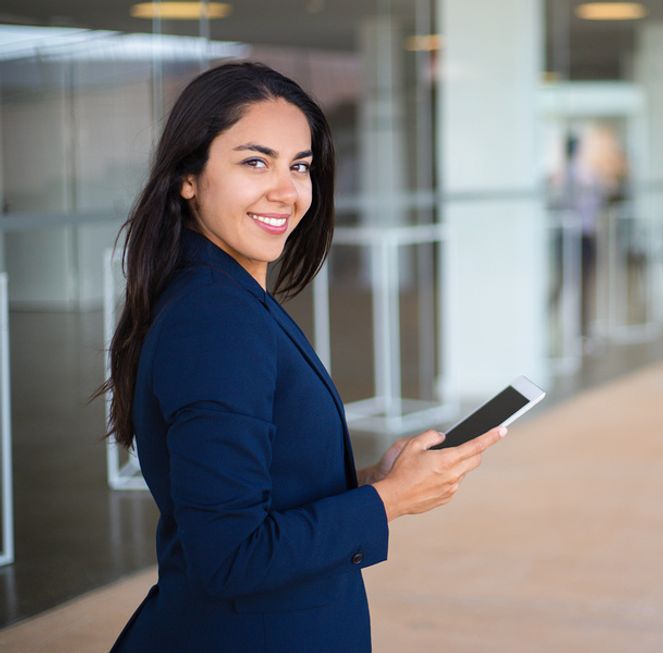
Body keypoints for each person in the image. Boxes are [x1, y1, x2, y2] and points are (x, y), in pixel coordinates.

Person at [94, 62, 504, 652]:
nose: (285, 190)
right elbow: (232, 557)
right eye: (254, 161)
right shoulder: (215, 321)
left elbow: (253, 492)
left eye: (300, 166)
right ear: (189, 176)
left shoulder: (226, 297)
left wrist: (371, 483)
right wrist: (390, 503)